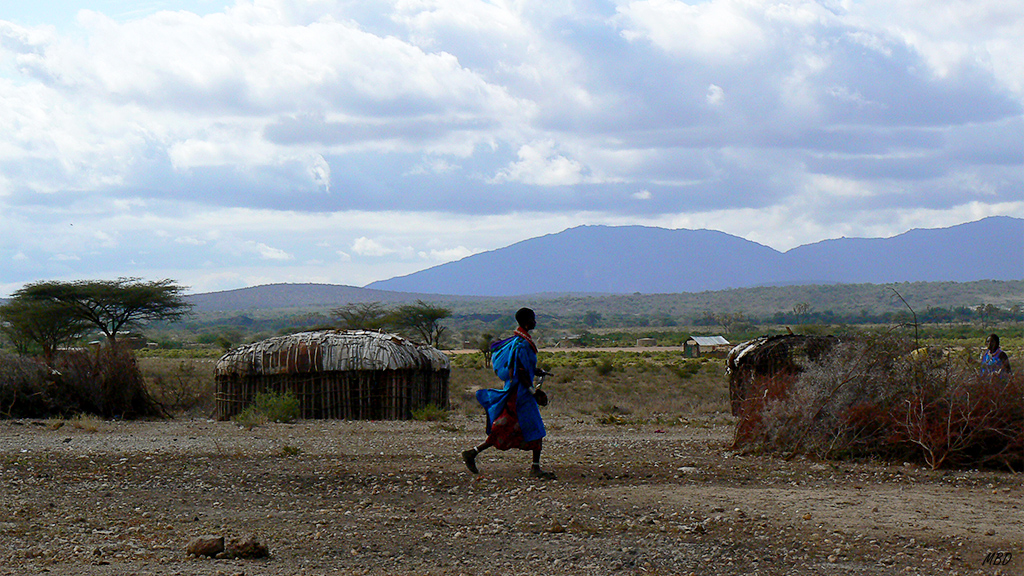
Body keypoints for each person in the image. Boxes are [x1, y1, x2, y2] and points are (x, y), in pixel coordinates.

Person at [462, 307, 555, 479]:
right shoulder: (522, 344)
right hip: (520, 395)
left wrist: (535, 371)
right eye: (533, 319)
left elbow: (523, 367)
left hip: (519, 392)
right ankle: (534, 468)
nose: (535, 322)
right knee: (532, 427)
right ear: (526, 322)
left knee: (512, 427)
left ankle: (473, 453)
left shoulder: (520, 342)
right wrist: (533, 391)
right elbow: (520, 371)